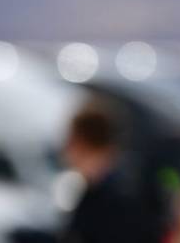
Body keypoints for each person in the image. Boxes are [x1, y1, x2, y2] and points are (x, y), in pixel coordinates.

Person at [60, 100, 162, 243]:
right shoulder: (98, 187)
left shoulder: (119, 194)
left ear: (82, 143)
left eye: (71, 140)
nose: (65, 148)